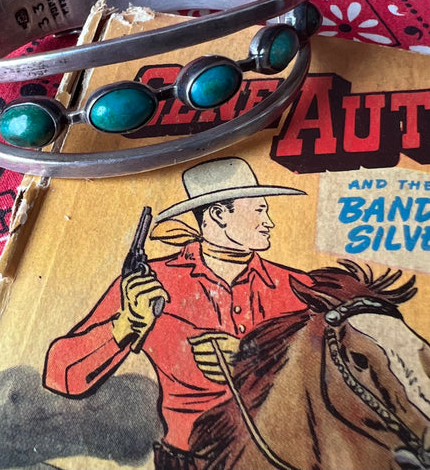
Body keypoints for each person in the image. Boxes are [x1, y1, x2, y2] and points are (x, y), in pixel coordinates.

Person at [43, 157, 312, 470]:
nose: (269, 222)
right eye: (259, 210)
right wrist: (126, 324)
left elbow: (341, 367)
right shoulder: (150, 283)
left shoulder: (299, 286)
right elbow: (62, 377)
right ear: (218, 214)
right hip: (189, 462)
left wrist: (252, 358)